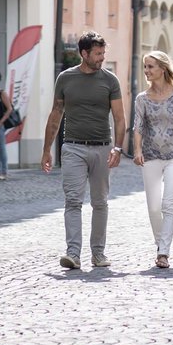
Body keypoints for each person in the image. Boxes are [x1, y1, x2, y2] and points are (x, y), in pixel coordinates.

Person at [41, 30, 127, 271]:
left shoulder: (110, 80)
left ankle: (98, 253)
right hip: (73, 147)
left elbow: (120, 118)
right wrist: (47, 149)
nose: (101, 58)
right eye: (98, 54)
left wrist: (118, 148)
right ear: (84, 53)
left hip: (102, 147)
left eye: (103, 53)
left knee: (100, 202)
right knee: (72, 201)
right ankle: (73, 253)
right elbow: (56, 113)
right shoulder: (65, 79)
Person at [132, 51, 173, 268]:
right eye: (145, 67)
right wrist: (138, 150)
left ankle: (163, 252)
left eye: (150, 66)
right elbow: (138, 126)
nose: (147, 71)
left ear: (162, 68)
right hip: (150, 156)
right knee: (153, 207)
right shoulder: (142, 98)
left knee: (168, 204)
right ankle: (161, 242)